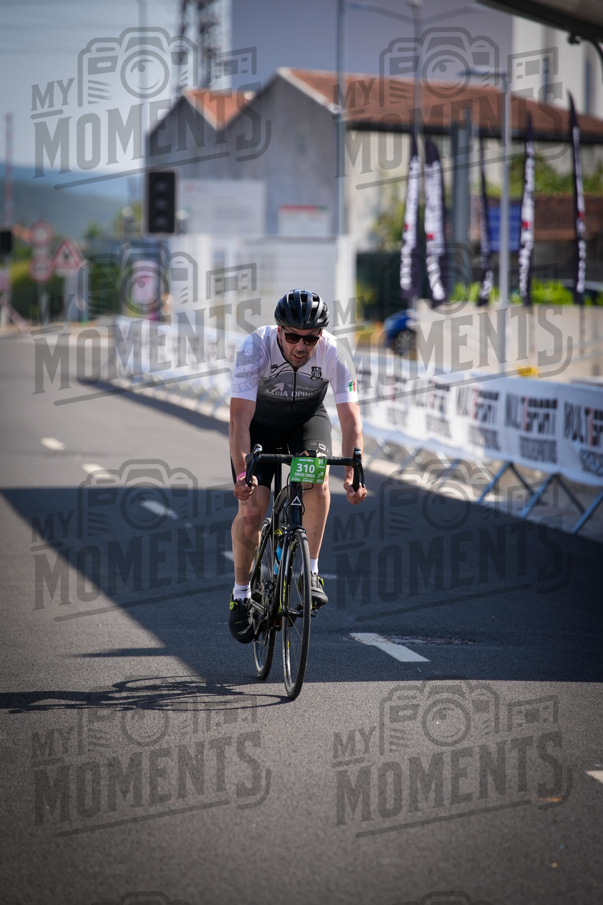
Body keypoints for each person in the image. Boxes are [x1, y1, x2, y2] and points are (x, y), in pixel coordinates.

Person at [228, 288, 367, 643]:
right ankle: (241, 594)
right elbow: (239, 421)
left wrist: (353, 474)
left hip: (305, 423)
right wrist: (243, 474)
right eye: (292, 337)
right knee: (252, 510)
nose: (301, 346)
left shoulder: (335, 352)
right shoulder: (255, 348)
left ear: (321, 335)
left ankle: (311, 572)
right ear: (279, 331)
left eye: (310, 338)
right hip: (259, 427)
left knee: (316, 479)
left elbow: (351, 421)